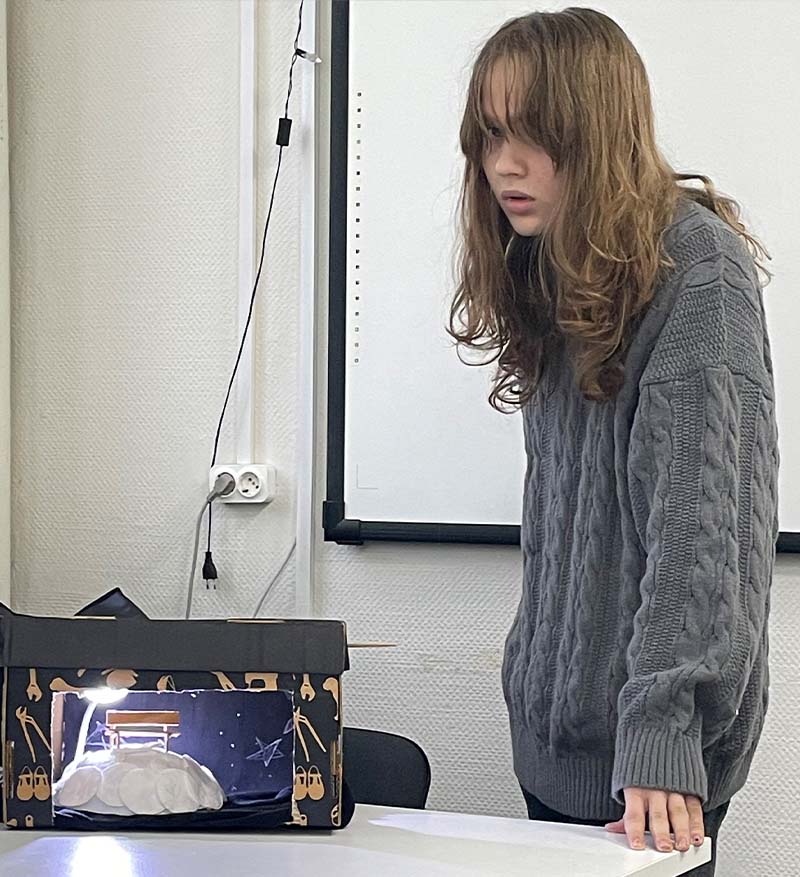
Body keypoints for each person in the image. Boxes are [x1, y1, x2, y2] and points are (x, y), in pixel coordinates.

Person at [448, 8, 779, 876]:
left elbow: (704, 532)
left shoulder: (695, 269)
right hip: (555, 741)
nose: (504, 165)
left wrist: (664, 731)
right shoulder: (548, 262)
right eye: (490, 135)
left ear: (595, 130)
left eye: (533, 134)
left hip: (649, 764)